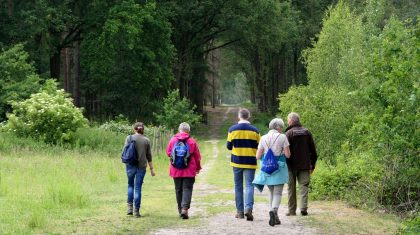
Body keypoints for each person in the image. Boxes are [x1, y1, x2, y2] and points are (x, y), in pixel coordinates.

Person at [253, 118, 291, 226]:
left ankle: (275, 216)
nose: (282, 129)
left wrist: (267, 157)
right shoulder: (283, 137)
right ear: (278, 127)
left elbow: (258, 156)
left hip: (267, 169)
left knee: (271, 192)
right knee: (278, 192)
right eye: (281, 127)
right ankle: (274, 210)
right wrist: (282, 152)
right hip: (279, 167)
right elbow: (288, 155)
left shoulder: (263, 138)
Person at [226, 108, 260, 221]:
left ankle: (240, 212)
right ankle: (248, 209)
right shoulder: (255, 130)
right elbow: (258, 146)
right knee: (250, 185)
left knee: (238, 186)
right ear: (248, 116)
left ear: (239, 116)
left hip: (237, 161)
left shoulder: (232, 130)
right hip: (250, 161)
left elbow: (229, 146)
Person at [166, 122, 202, 219]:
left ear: (179, 129)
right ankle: (184, 209)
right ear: (188, 130)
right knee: (187, 189)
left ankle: (179, 210)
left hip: (175, 169)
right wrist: (198, 168)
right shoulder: (192, 141)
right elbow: (197, 157)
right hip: (189, 170)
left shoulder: (173, 140)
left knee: (178, 190)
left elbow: (168, 153)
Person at [285, 112, 318, 216]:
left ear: (291, 121)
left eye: (288, 120)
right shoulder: (307, 132)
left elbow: (285, 151)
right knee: (304, 186)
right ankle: (303, 208)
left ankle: (291, 211)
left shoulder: (288, 133)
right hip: (304, 165)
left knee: (291, 188)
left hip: (291, 166)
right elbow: (313, 151)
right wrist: (312, 164)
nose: (287, 122)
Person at [123, 122, 155, 218]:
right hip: (141, 167)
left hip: (130, 165)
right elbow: (149, 156)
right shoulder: (146, 140)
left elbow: (124, 151)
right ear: (142, 129)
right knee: (138, 188)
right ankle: (136, 211)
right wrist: (152, 169)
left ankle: (129, 208)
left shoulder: (129, 138)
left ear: (134, 129)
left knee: (130, 185)